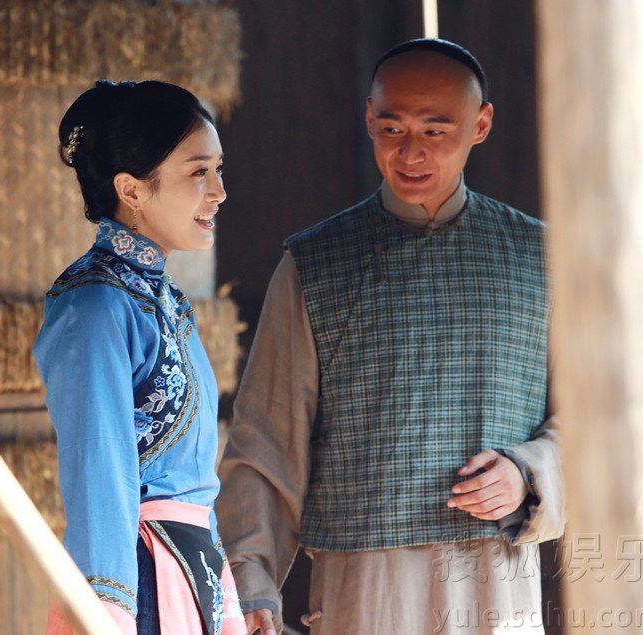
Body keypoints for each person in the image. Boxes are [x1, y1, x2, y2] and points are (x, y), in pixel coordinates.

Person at [215, 39, 565, 634]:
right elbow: (265, 443)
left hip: (495, 585)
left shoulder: (541, 258)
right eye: (392, 128)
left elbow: (597, 422)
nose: (410, 152)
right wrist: (249, 582)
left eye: (436, 130)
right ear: (369, 118)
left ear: (481, 125)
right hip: (363, 590)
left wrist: (529, 473)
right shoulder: (314, 265)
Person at [35, 80, 246, 635]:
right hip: (141, 584)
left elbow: (196, 490)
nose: (219, 192)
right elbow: (98, 473)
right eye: (198, 172)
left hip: (194, 579)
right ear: (131, 189)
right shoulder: (95, 304)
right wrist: (107, 615)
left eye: (219, 169)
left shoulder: (165, 300)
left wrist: (226, 604)